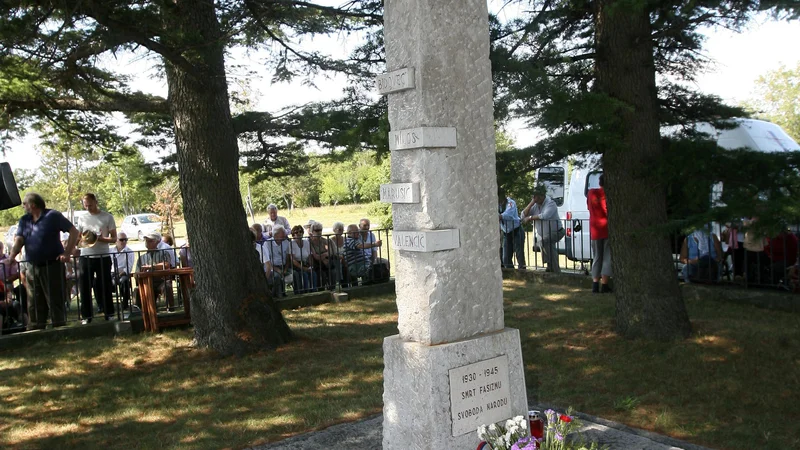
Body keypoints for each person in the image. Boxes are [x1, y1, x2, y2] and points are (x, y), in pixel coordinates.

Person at [9, 192, 79, 330]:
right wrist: (12, 256)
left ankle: (58, 329)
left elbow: (74, 232)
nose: (23, 206)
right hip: (31, 266)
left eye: (25, 204)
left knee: (54, 298)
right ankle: (36, 329)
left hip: (52, 264)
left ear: (33, 205)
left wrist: (67, 252)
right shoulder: (25, 220)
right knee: (33, 300)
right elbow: (19, 240)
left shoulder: (53, 216)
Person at [76, 193, 117, 323]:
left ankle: (109, 313)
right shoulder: (82, 218)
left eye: (90, 205)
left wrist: (99, 238)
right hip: (86, 256)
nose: (88, 207)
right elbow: (78, 236)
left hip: (103, 256)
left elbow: (114, 238)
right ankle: (86, 316)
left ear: (96, 202)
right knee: (85, 287)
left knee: (104, 285)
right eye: (85, 205)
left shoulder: (107, 217)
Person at [522, 184, 564, 273]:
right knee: (546, 244)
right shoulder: (535, 205)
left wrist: (530, 218)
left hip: (557, 231)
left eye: (536, 197)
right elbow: (523, 215)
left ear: (542, 196)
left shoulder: (550, 203)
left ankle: (556, 270)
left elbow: (545, 215)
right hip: (544, 234)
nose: (535, 199)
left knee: (545, 242)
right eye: (534, 197)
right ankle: (550, 267)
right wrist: (531, 203)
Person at [587, 174, 612, 293]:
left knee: (597, 256)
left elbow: (589, 207)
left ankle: (595, 284)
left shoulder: (591, 193)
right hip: (606, 228)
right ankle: (605, 285)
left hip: (594, 228)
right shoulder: (609, 195)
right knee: (607, 256)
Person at [133, 232, 171, 308]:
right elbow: (136, 273)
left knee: (167, 286)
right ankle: (140, 312)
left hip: (161, 281)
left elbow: (166, 265)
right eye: (146, 241)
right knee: (137, 290)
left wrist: (151, 267)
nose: (147, 243)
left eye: (150, 241)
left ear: (157, 242)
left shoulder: (164, 253)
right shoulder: (142, 257)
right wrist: (138, 275)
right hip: (147, 282)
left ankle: (170, 308)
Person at [499, 193, 526, 270]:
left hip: (516, 230)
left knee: (519, 255)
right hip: (506, 232)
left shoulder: (511, 203)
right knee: (506, 258)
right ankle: (511, 272)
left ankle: (522, 273)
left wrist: (500, 216)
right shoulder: (496, 205)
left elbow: (509, 215)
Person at [290, 225, 317, 293]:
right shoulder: (291, 244)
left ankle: (314, 291)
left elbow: (310, 256)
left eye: (300, 232)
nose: (299, 234)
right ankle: (305, 292)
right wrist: (302, 267)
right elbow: (292, 259)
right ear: (293, 235)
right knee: (304, 274)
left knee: (313, 273)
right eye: (296, 232)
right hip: (297, 265)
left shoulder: (306, 243)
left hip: (305, 263)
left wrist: (311, 266)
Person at [266, 225, 292, 297]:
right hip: (272, 268)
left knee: (295, 274)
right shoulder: (267, 243)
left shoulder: (286, 242)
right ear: (275, 235)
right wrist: (277, 270)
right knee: (277, 276)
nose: (284, 236)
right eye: (282, 234)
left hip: (283, 266)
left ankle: (299, 294)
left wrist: (285, 269)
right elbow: (267, 262)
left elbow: (287, 259)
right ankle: (279, 295)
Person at [112, 232, 135, 310]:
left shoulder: (129, 252)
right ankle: (102, 305)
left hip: (123, 273)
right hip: (111, 273)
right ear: (116, 241)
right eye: (121, 240)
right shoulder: (110, 251)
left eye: (126, 240)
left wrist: (119, 274)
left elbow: (129, 267)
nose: (124, 242)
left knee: (124, 281)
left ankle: (125, 304)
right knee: (96, 282)